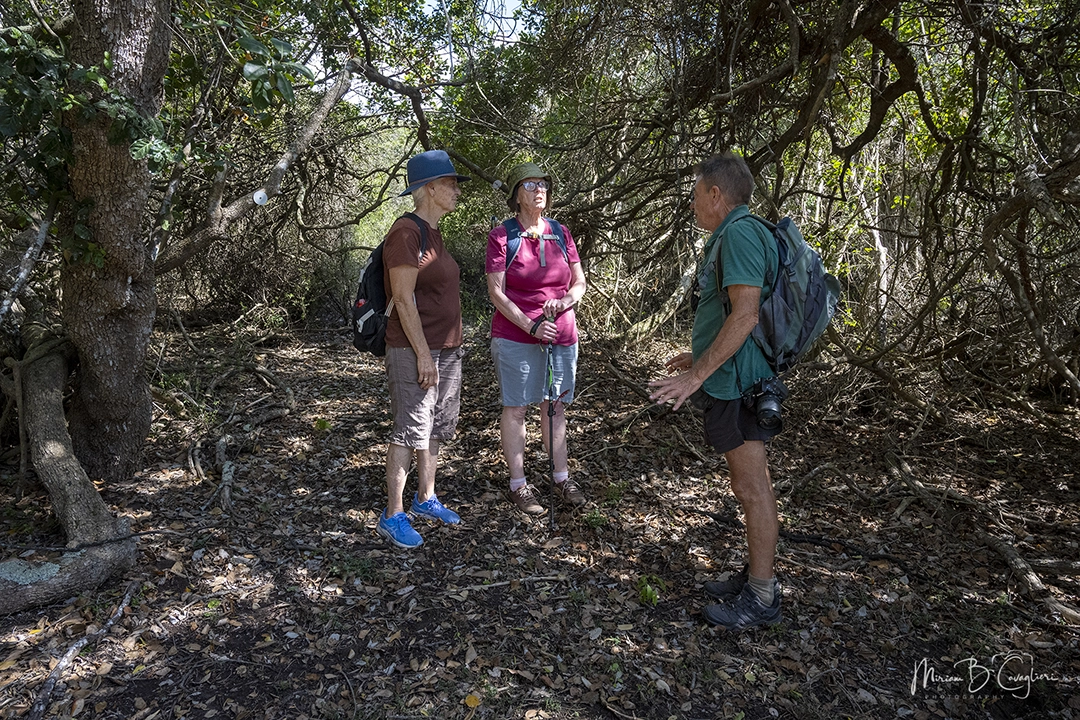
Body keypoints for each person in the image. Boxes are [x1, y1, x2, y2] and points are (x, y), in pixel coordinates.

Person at [647, 152, 783, 631]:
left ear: (715, 193)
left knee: (751, 487)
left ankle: (762, 595)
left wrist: (695, 376)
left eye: (695, 193)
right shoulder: (736, 233)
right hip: (737, 376)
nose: (691, 203)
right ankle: (757, 576)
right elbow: (733, 315)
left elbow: (746, 315)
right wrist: (698, 355)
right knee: (752, 484)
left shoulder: (740, 234)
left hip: (738, 384)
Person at [377, 149, 470, 549]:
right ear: (429, 188)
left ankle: (425, 497)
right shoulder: (406, 232)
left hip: (446, 349)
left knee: (436, 426)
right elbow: (402, 298)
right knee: (408, 429)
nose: (456, 191)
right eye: (450, 184)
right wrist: (421, 355)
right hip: (414, 349)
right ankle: (393, 514)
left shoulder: (433, 233)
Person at [485, 162, 588, 514]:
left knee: (554, 406)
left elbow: (579, 282)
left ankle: (561, 477)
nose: (539, 189)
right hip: (516, 335)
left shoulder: (561, 232)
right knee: (517, 408)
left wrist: (565, 301)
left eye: (542, 183)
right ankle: (519, 484)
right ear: (516, 195)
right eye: (529, 184)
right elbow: (497, 293)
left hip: (561, 334)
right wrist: (530, 326)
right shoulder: (502, 236)